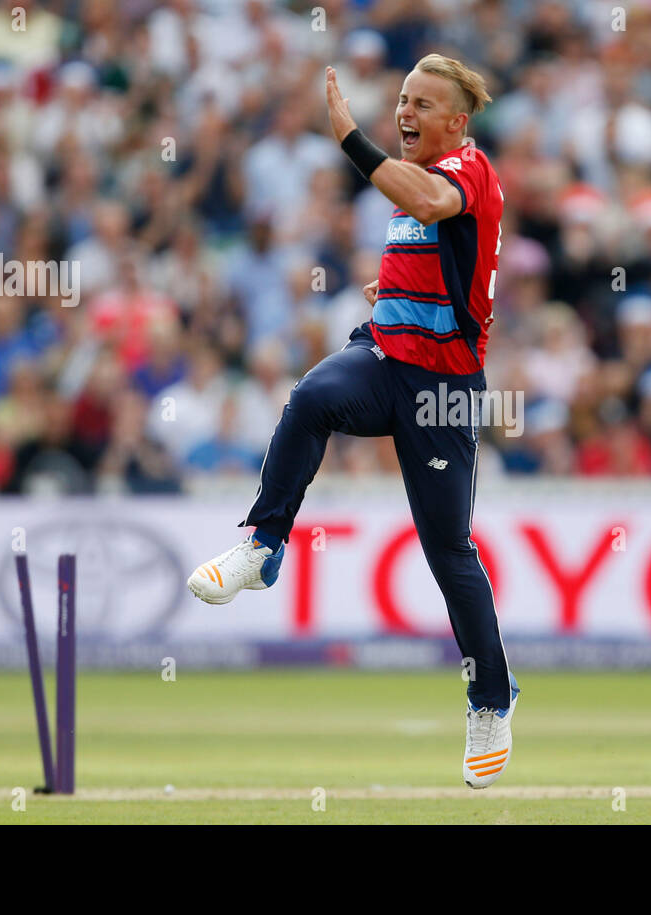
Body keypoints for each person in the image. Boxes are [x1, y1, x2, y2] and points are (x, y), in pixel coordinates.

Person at [187, 55, 518, 789]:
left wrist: (348, 136)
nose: (407, 112)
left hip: (443, 390)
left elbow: (434, 206)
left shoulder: (469, 167)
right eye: (402, 99)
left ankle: (491, 700)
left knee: (448, 553)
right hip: (385, 358)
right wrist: (394, 286)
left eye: (424, 104)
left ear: (457, 122)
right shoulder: (419, 177)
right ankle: (262, 543)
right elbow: (435, 246)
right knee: (309, 397)